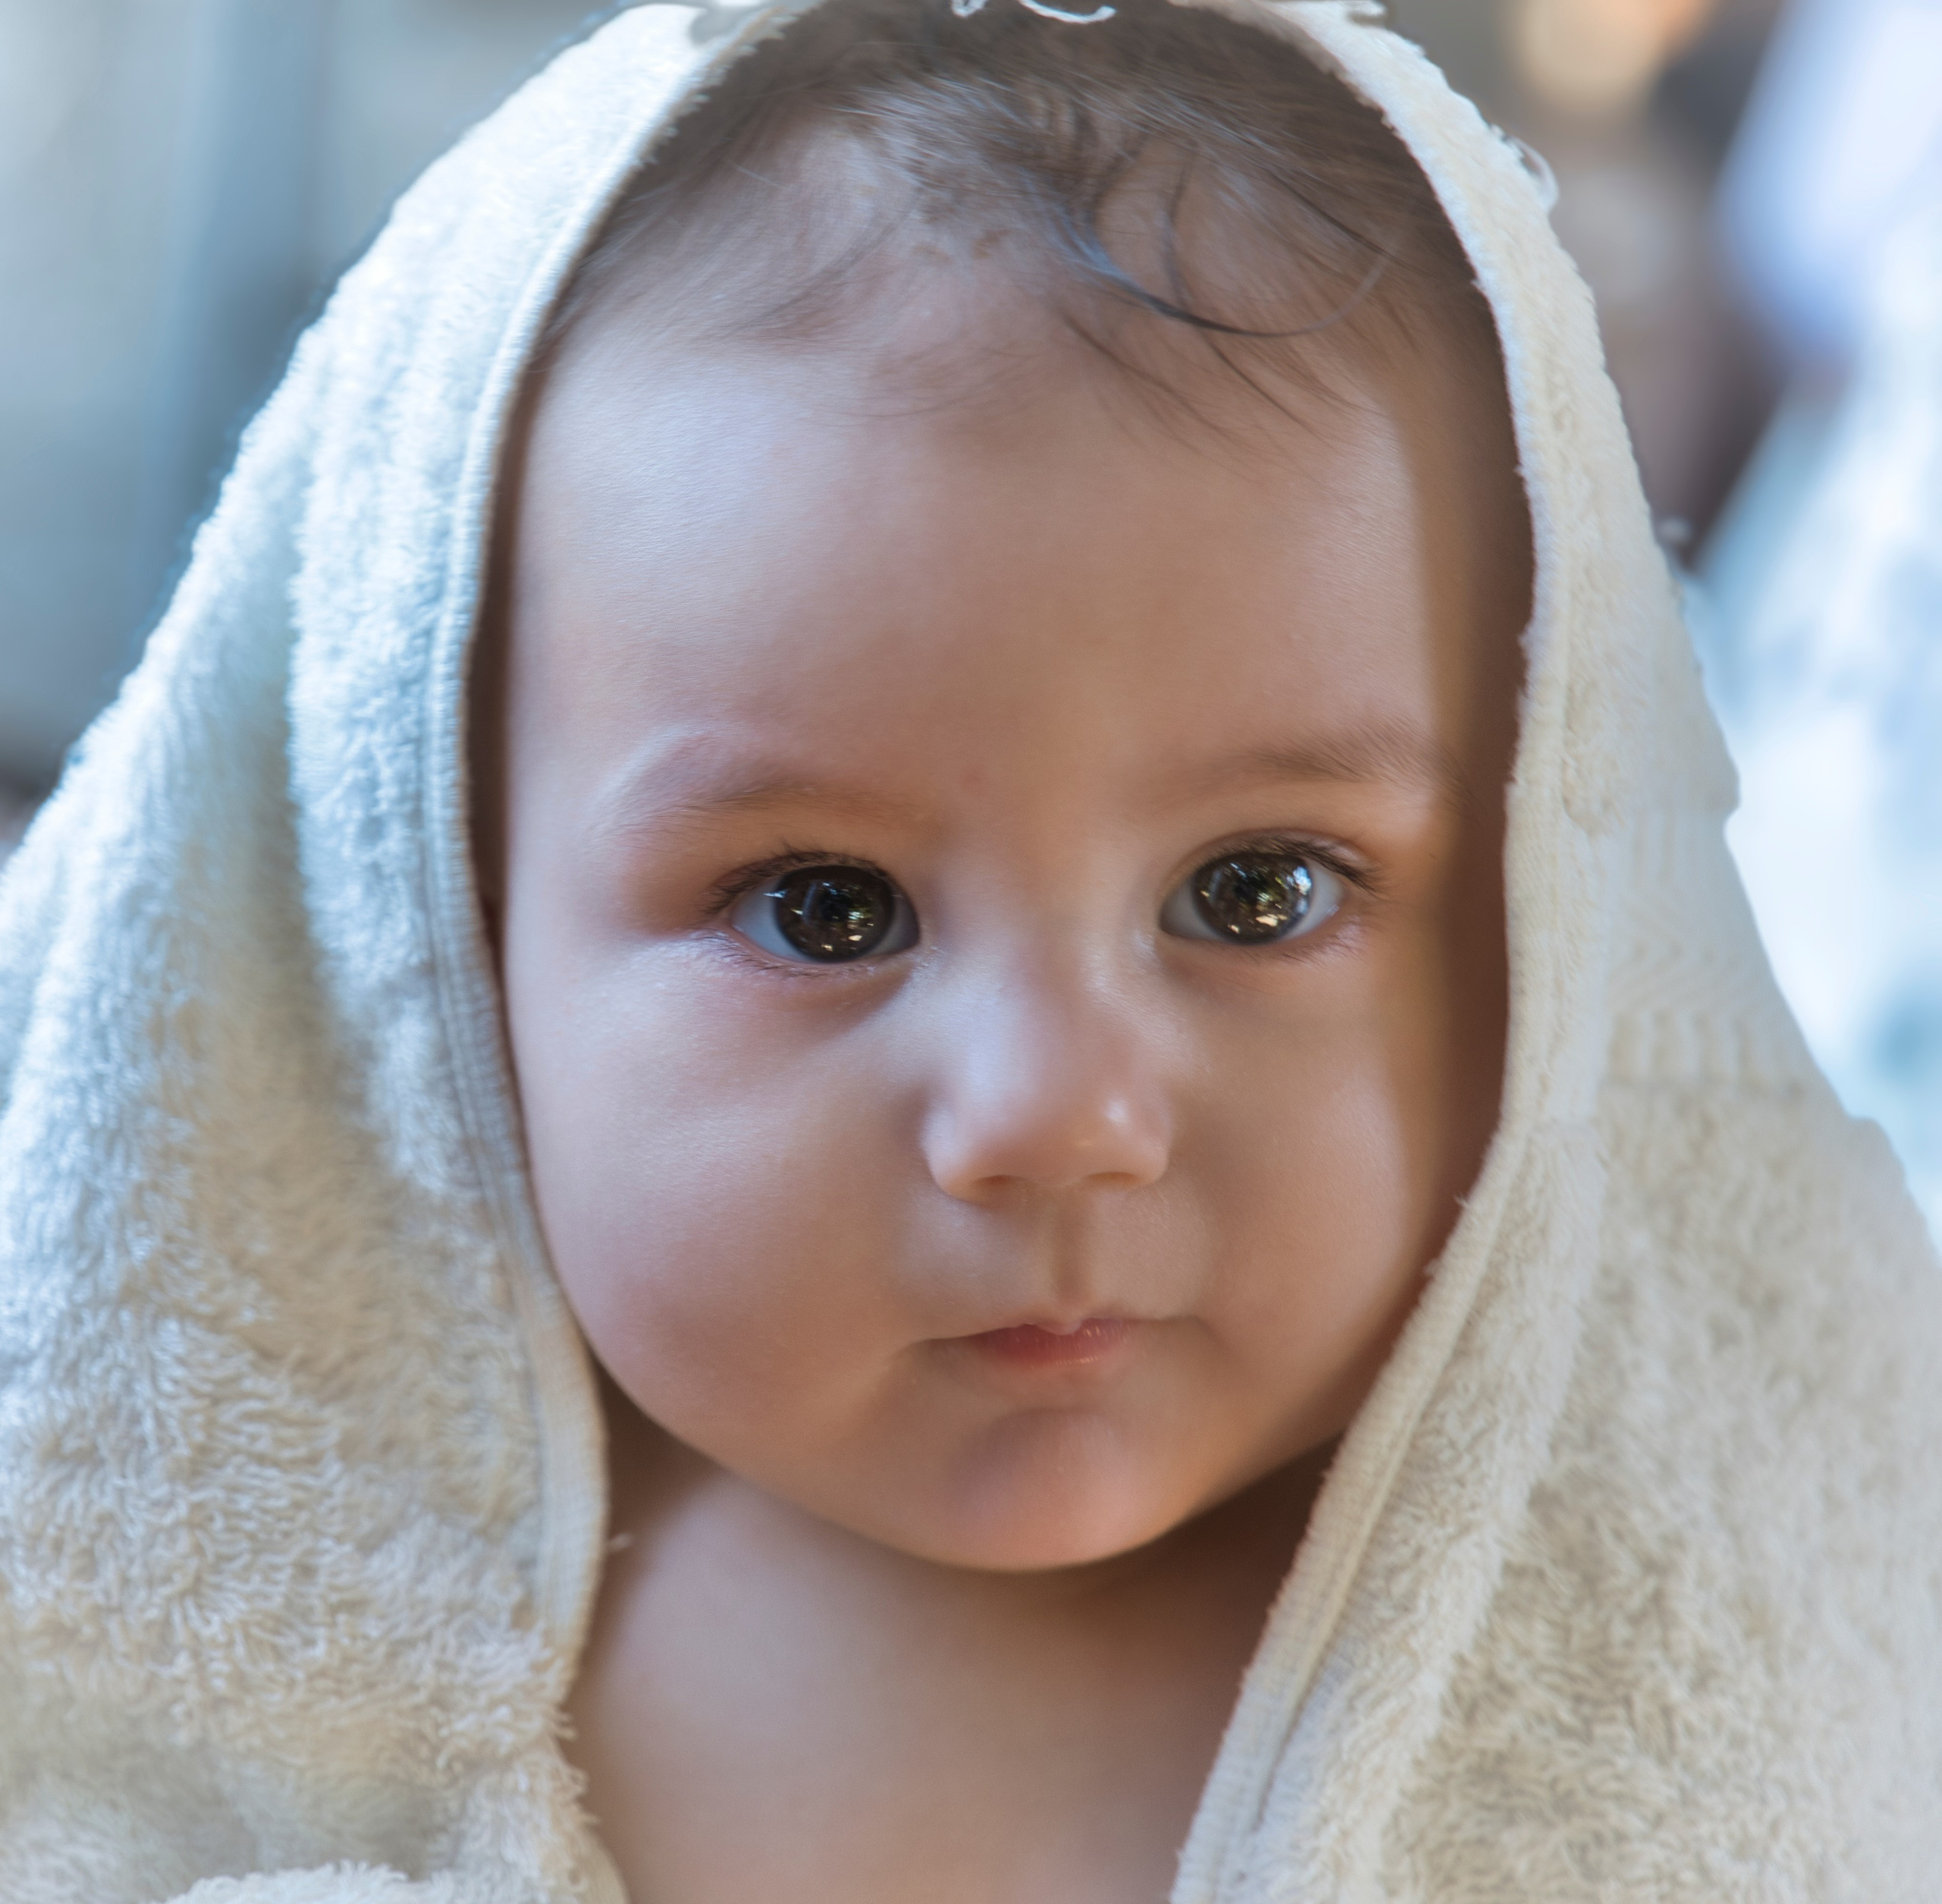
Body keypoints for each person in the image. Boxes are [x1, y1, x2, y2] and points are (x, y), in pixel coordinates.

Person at [0, 2, 1936, 1900]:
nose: (1056, 1113)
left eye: (1257, 890)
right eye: (823, 910)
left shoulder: (1727, 1678)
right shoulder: (290, 1691)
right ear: (433, 944)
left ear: (1552, 915)